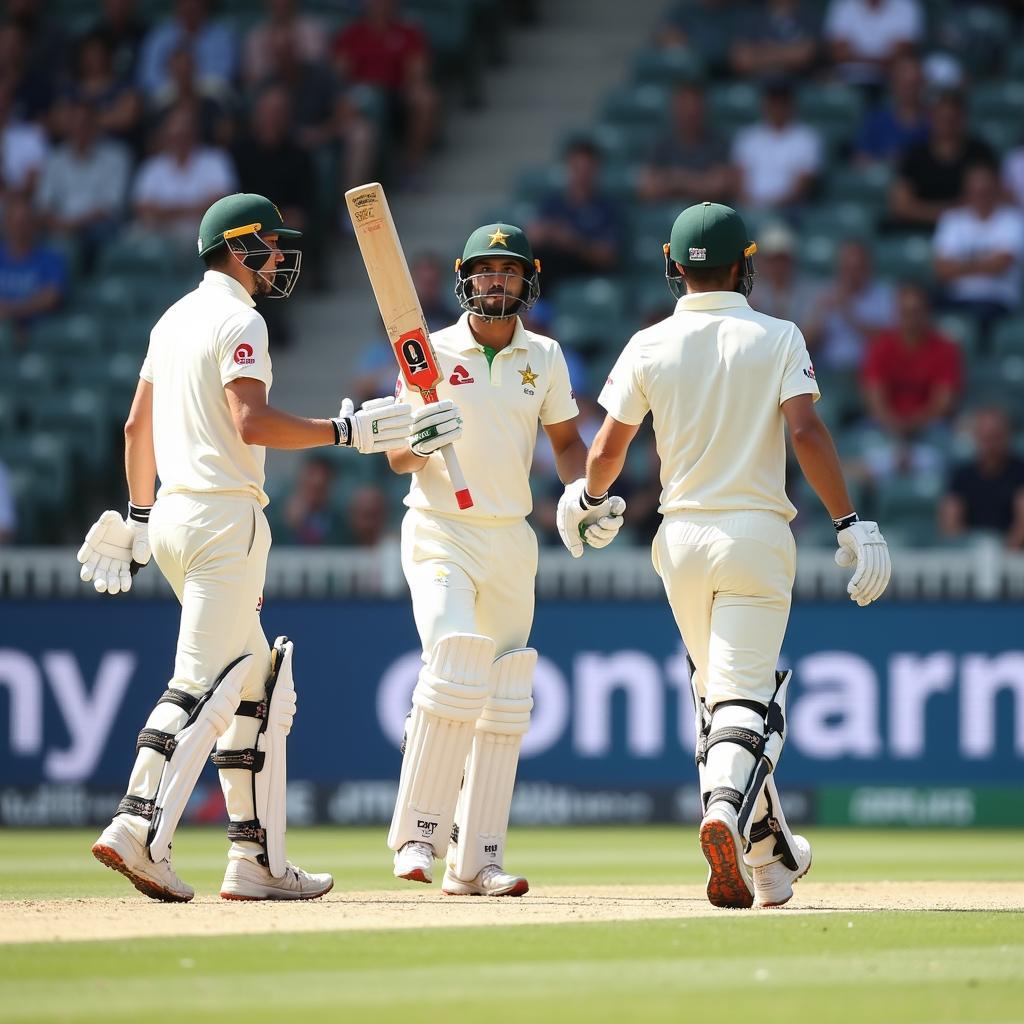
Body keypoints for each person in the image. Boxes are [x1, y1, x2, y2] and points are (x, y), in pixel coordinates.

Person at [80, 192, 413, 902]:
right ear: (239, 246)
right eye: (269, 244)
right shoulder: (241, 319)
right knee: (205, 679)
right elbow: (251, 420)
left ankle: (254, 861)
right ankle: (138, 825)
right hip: (222, 520)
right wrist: (344, 432)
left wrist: (139, 516)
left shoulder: (172, 320)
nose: (278, 257)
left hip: (173, 515)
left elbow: (138, 427)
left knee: (259, 685)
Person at [583, 202, 891, 909]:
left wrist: (586, 501)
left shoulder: (647, 343)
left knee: (718, 701)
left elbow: (606, 451)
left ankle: (771, 861)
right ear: (743, 265)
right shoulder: (778, 334)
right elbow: (807, 433)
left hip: (679, 542)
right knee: (746, 704)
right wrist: (849, 522)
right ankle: (722, 807)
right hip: (753, 534)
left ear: (674, 267)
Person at [386, 223, 625, 896]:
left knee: (502, 698)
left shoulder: (545, 357)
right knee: (454, 664)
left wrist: (584, 497)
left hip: (510, 538)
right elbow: (399, 456)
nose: (497, 281)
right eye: (486, 270)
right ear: (467, 278)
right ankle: (417, 839)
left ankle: (477, 859)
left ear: (528, 281)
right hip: (440, 530)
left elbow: (567, 445)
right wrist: (422, 438)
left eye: (509, 271)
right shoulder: (428, 351)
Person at [934, 162, 1024, 345]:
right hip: (956, 297)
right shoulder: (952, 219)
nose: (980, 195)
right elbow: (941, 269)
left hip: (996, 299)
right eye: (975, 190)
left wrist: (959, 266)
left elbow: (1000, 265)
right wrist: (984, 263)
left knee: (979, 319)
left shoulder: (1012, 220)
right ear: (967, 191)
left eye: (986, 190)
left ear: (996, 190)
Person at [889, 91, 996, 231]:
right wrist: (948, 213)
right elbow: (901, 206)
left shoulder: (979, 153)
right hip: (920, 231)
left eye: (952, 118)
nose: (947, 124)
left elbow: (994, 196)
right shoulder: (915, 155)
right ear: (931, 118)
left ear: (962, 118)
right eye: (942, 118)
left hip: (970, 231)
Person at [527, 139, 623, 290]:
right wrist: (550, 232)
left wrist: (573, 242)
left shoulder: (607, 208)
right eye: (577, 168)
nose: (581, 175)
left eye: (587, 169)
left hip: (585, 271)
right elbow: (532, 236)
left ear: (596, 170)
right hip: (549, 267)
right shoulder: (552, 204)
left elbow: (607, 256)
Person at [730, 79, 822, 214]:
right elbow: (738, 182)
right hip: (749, 209)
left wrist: (770, 208)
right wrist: (754, 207)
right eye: (773, 102)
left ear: (791, 105)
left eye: (782, 102)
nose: (777, 108)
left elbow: (801, 189)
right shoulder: (748, 136)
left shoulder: (807, 138)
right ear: (765, 104)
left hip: (788, 211)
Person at [637, 83, 736, 206]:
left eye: (694, 108)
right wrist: (699, 182)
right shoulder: (661, 144)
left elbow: (719, 187)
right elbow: (647, 189)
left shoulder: (719, 143)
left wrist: (678, 180)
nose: (689, 113)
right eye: (684, 107)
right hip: (667, 214)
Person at [940, 406, 1024, 547]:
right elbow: (950, 523)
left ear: (1007, 436)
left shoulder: (1020, 472)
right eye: (986, 437)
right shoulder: (962, 476)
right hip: (971, 551)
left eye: (996, 437)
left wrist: (1003, 556)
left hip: (1012, 555)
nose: (990, 444)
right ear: (976, 437)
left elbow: (1022, 523)